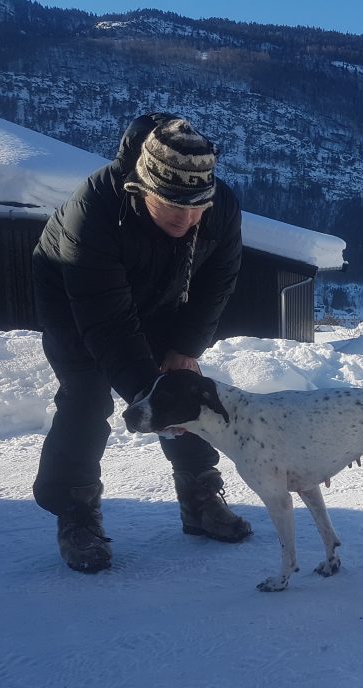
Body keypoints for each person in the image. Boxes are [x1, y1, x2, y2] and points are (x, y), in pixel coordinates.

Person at [32, 113, 251, 573]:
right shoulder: (95, 210)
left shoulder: (222, 207)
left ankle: (199, 495)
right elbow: (107, 322)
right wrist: (145, 395)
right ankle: (76, 515)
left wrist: (186, 347)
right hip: (76, 303)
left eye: (198, 207)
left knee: (182, 385)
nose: (188, 218)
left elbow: (218, 283)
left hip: (163, 298)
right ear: (142, 187)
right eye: (174, 204)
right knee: (86, 397)